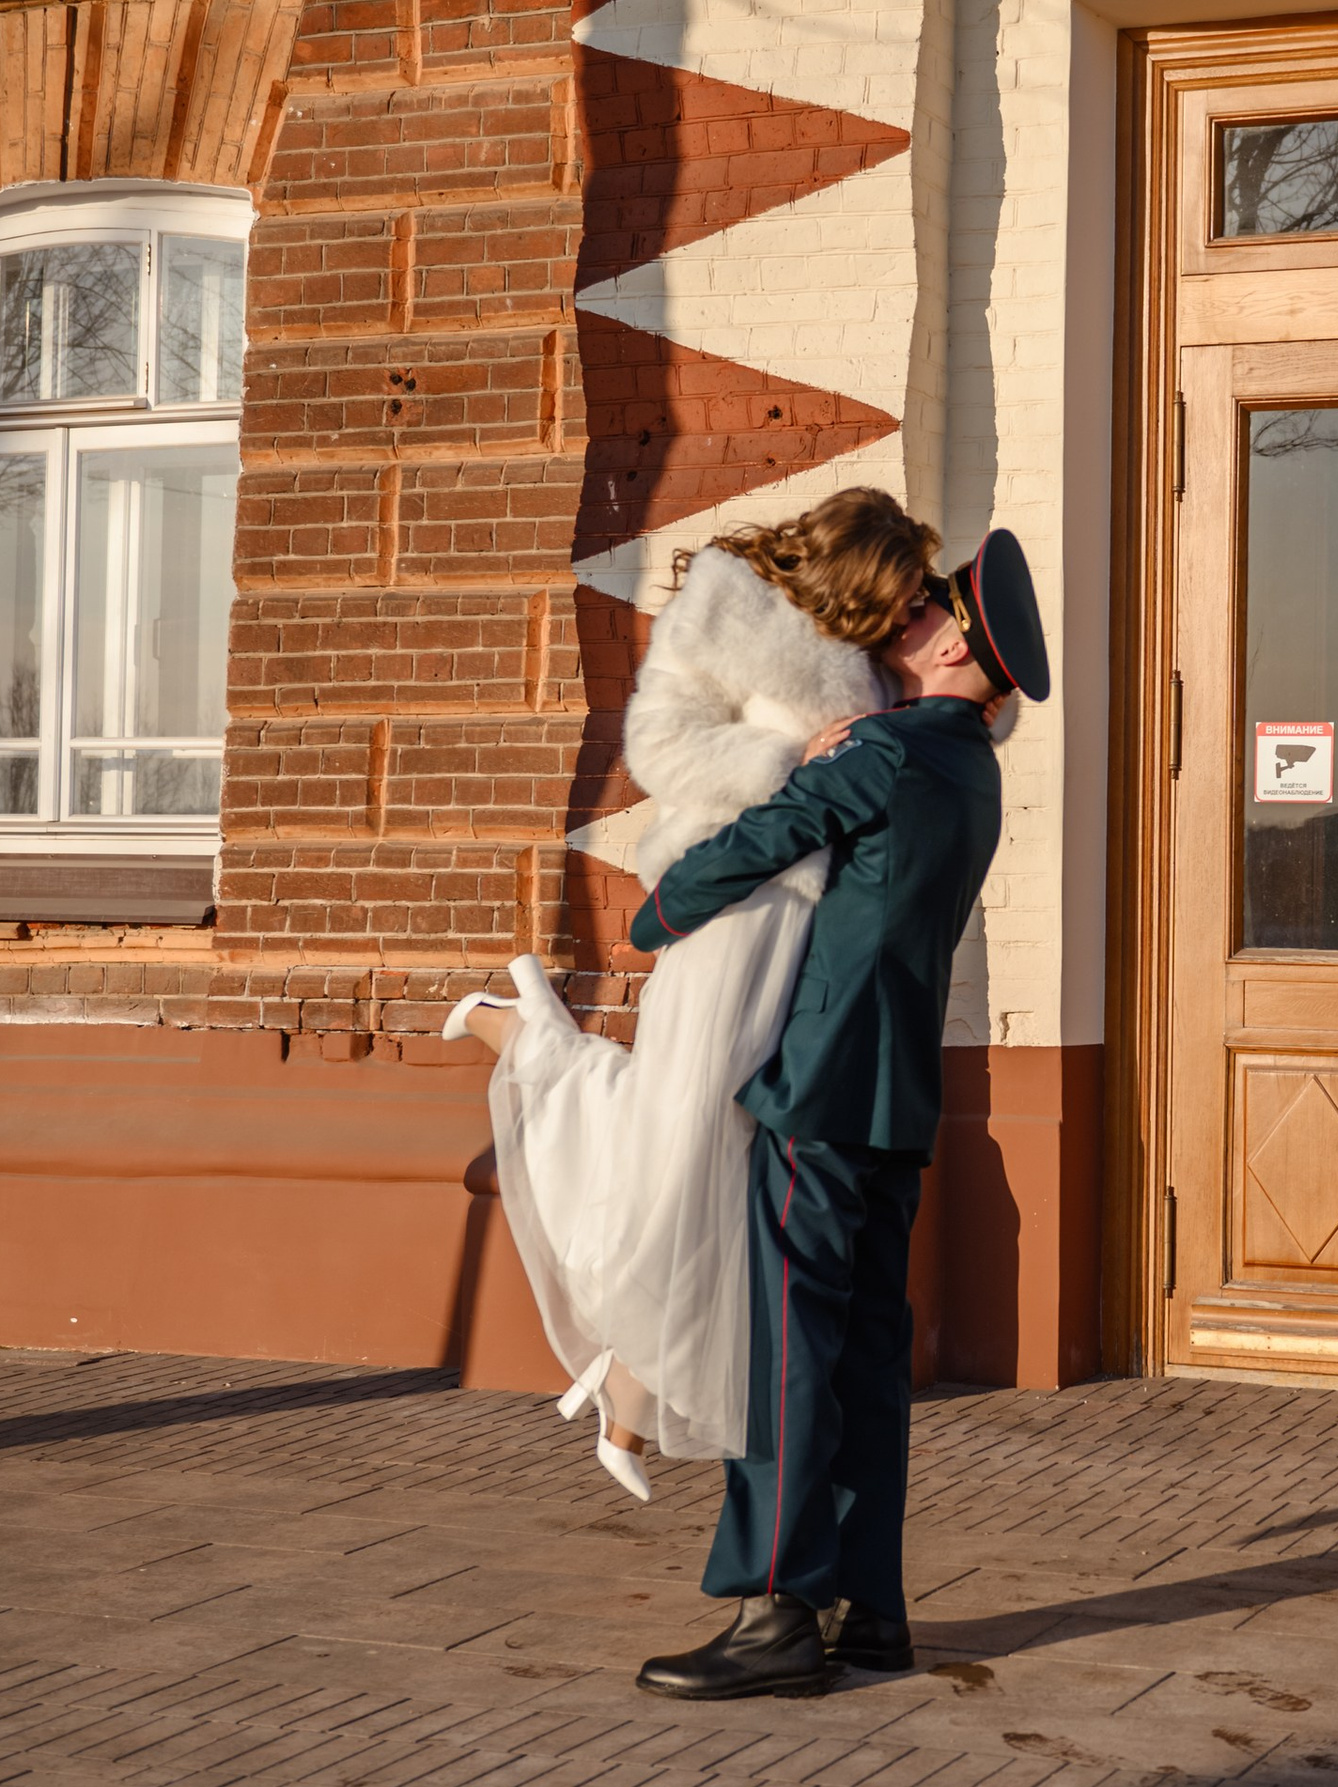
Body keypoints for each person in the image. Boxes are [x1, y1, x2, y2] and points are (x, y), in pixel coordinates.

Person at [442, 490, 937, 1494]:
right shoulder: (726, 610)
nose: (905, 612)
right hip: (731, 911)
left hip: (816, 927)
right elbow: (659, 749)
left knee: (729, 1158)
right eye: (895, 592)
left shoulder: (880, 654)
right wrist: (787, 760)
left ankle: (627, 1388)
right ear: (851, 570)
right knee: (682, 1133)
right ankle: (523, 1037)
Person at [630, 529, 1053, 1702]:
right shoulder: (971, 765)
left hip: (819, 1085)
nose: (901, 618)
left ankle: (775, 1610)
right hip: (899, 1096)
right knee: (864, 1356)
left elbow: (769, 835)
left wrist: (657, 912)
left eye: (923, 608)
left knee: (793, 1354)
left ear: (958, 639)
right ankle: (873, 1612)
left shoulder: (888, 748)